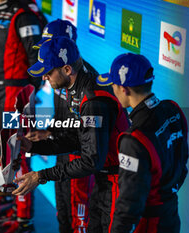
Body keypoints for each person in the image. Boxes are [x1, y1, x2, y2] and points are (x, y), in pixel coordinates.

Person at [13, 37, 129, 233]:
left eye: (48, 72)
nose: (44, 78)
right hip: (104, 179)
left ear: (67, 69)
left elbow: (91, 160)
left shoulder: (91, 100)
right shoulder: (75, 90)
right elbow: (76, 139)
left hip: (117, 180)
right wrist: (34, 147)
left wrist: (41, 175)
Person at [96, 53, 189, 233]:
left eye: (113, 84)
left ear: (124, 89)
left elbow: (129, 203)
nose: (112, 89)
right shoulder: (173, 109)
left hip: (148, 224)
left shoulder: (133, 139)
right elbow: (182, 162)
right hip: (171, 216)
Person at [26, 19, 97, 233]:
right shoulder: (62, 78)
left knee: (79, 219)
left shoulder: (86, 86)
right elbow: (64, 119)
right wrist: (48, 134)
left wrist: (41, 173)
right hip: (65, 149)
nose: (45, 76)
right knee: (64, 212)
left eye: (51, 43)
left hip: (82, 159)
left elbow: (86, 145)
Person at [0, 1, 47, 232]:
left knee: (18, 153)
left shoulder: (24, 15)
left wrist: (28, 93)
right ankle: (10, 199)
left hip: (15, 94)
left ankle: (24, 220)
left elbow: (37, 58)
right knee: (3, 150)